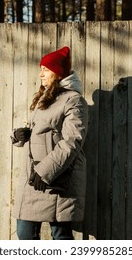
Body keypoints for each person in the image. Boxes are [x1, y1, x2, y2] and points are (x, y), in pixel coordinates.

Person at [11, 46, 89, 240]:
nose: (40, 74)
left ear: (58, 72)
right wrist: (20, 136)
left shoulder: (74, 100)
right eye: (41, 69)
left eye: (45, 69)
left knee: (60, 235)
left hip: (57, 177)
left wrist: (45, 171)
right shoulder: (44, 98)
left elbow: (72, 141)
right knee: (25, 233)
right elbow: (43, 133)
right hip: (34, 176)